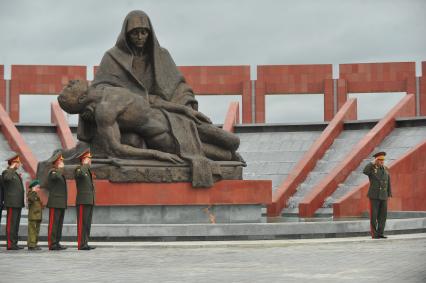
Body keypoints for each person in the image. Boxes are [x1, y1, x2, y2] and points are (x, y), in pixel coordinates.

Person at [363, 151, 392, 239]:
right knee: (374, 216)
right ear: (376, 160)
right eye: (379, 160)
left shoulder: (385, 169)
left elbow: (388, 182)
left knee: (383, 216)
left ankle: (380, 233)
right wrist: (371, 163)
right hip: (374, 196)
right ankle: (374, 234)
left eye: (383, 160)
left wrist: (389, 193)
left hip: (383, 196)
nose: (382, 161)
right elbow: (365, 171)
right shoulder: (372, 169)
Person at [2, 153, 25, 250]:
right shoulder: (6, 172)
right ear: (13, 163)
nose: (19, 164)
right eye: (18, 162)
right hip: (12, 203)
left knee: (15, 224)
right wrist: (11, 167)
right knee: (11, 224)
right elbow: (7, 178)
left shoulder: (14, 174)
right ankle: (10, 244)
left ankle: (14, 243)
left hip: (18, 203)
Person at [46, 152, 68, 250]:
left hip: (61, 203)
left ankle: (57, 242)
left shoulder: (59, 173)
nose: (62, 162)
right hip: (55, 202)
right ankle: (52, 243)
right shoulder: (53, 172)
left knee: (59, 224)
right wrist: (60, 168)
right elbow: (55, 177)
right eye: (60, 160)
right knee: (53, 224)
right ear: (56, 162)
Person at [75, 150, 96, 250]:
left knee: (87, 223)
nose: (90, 161)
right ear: (83, 160)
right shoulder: (79, 169)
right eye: (88, 159)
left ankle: (85, 243)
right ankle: (81, 244)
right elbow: (80, 174)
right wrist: (84, 164)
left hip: (89, 201)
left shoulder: (87, 171)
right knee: (82, 223)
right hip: (82, 201)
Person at [27, 179, 43, 251]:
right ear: (33, 187)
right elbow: (31, 199)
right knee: (32, 231)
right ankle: (31, 245)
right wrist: (33, 191)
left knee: (36, 231)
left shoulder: (35, 194)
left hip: (37, 216)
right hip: (33, 216)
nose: (38, 189)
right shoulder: (31, 193)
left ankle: (34, 244)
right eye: (37, 187)